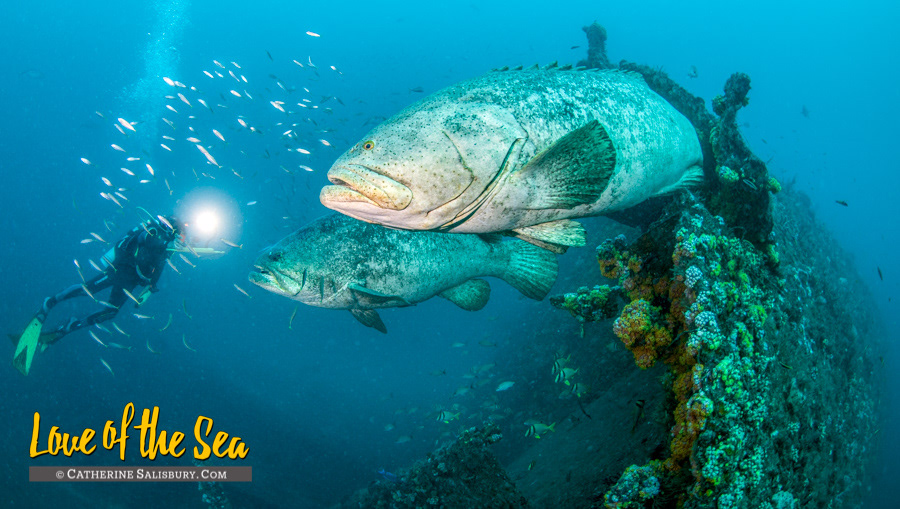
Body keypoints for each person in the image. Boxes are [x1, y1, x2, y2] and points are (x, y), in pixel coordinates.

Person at [12, 214, 185, 375]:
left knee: (110, 313)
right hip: (120, 269)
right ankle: (49, 303)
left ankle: (67, 328)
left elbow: (157, 268)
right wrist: (166, 244)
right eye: (179, 234)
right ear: (172, 230)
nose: (179, 239)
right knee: (88, 290)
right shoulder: (154, 230)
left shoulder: (166, 249)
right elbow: (145, 239)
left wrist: (151, 288)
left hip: (130, 282)